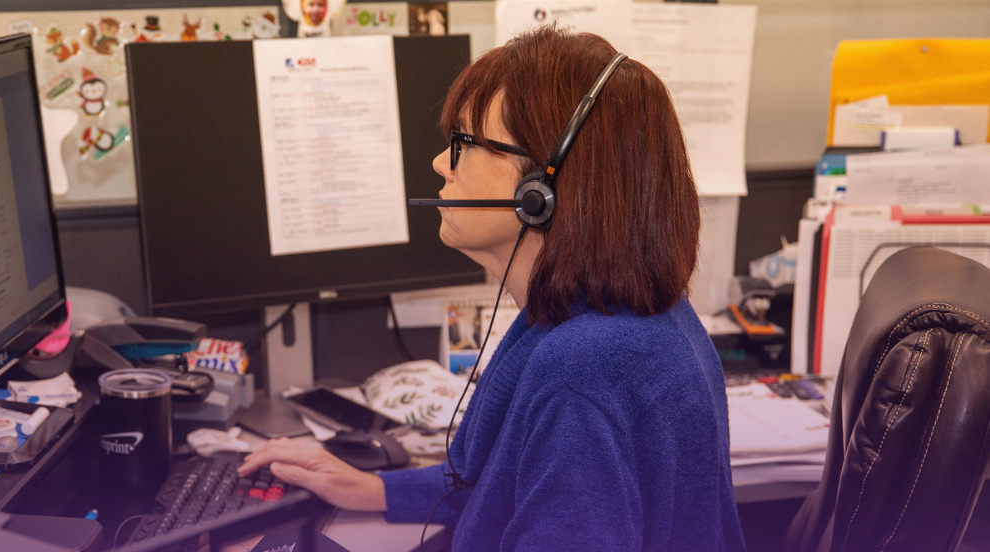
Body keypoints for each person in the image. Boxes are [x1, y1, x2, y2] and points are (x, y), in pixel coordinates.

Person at [238, 26, 746, 551]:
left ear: (541, 190)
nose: (441, 163)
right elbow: (500, 484)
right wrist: (368, 488)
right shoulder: (624, 318)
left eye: (464, 143)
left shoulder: (585, 367)